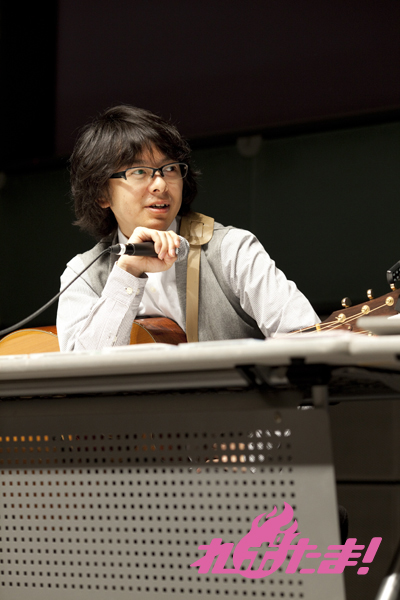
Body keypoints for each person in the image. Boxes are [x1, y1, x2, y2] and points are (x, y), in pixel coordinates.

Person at [57, 105, 319, 351]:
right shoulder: (83, 274)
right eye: (139, 171)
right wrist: (128, 272)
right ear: (101, 194)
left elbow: (309, 339)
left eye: (169, 168)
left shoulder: (231, 250)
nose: (160, 185)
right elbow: (79, 370)